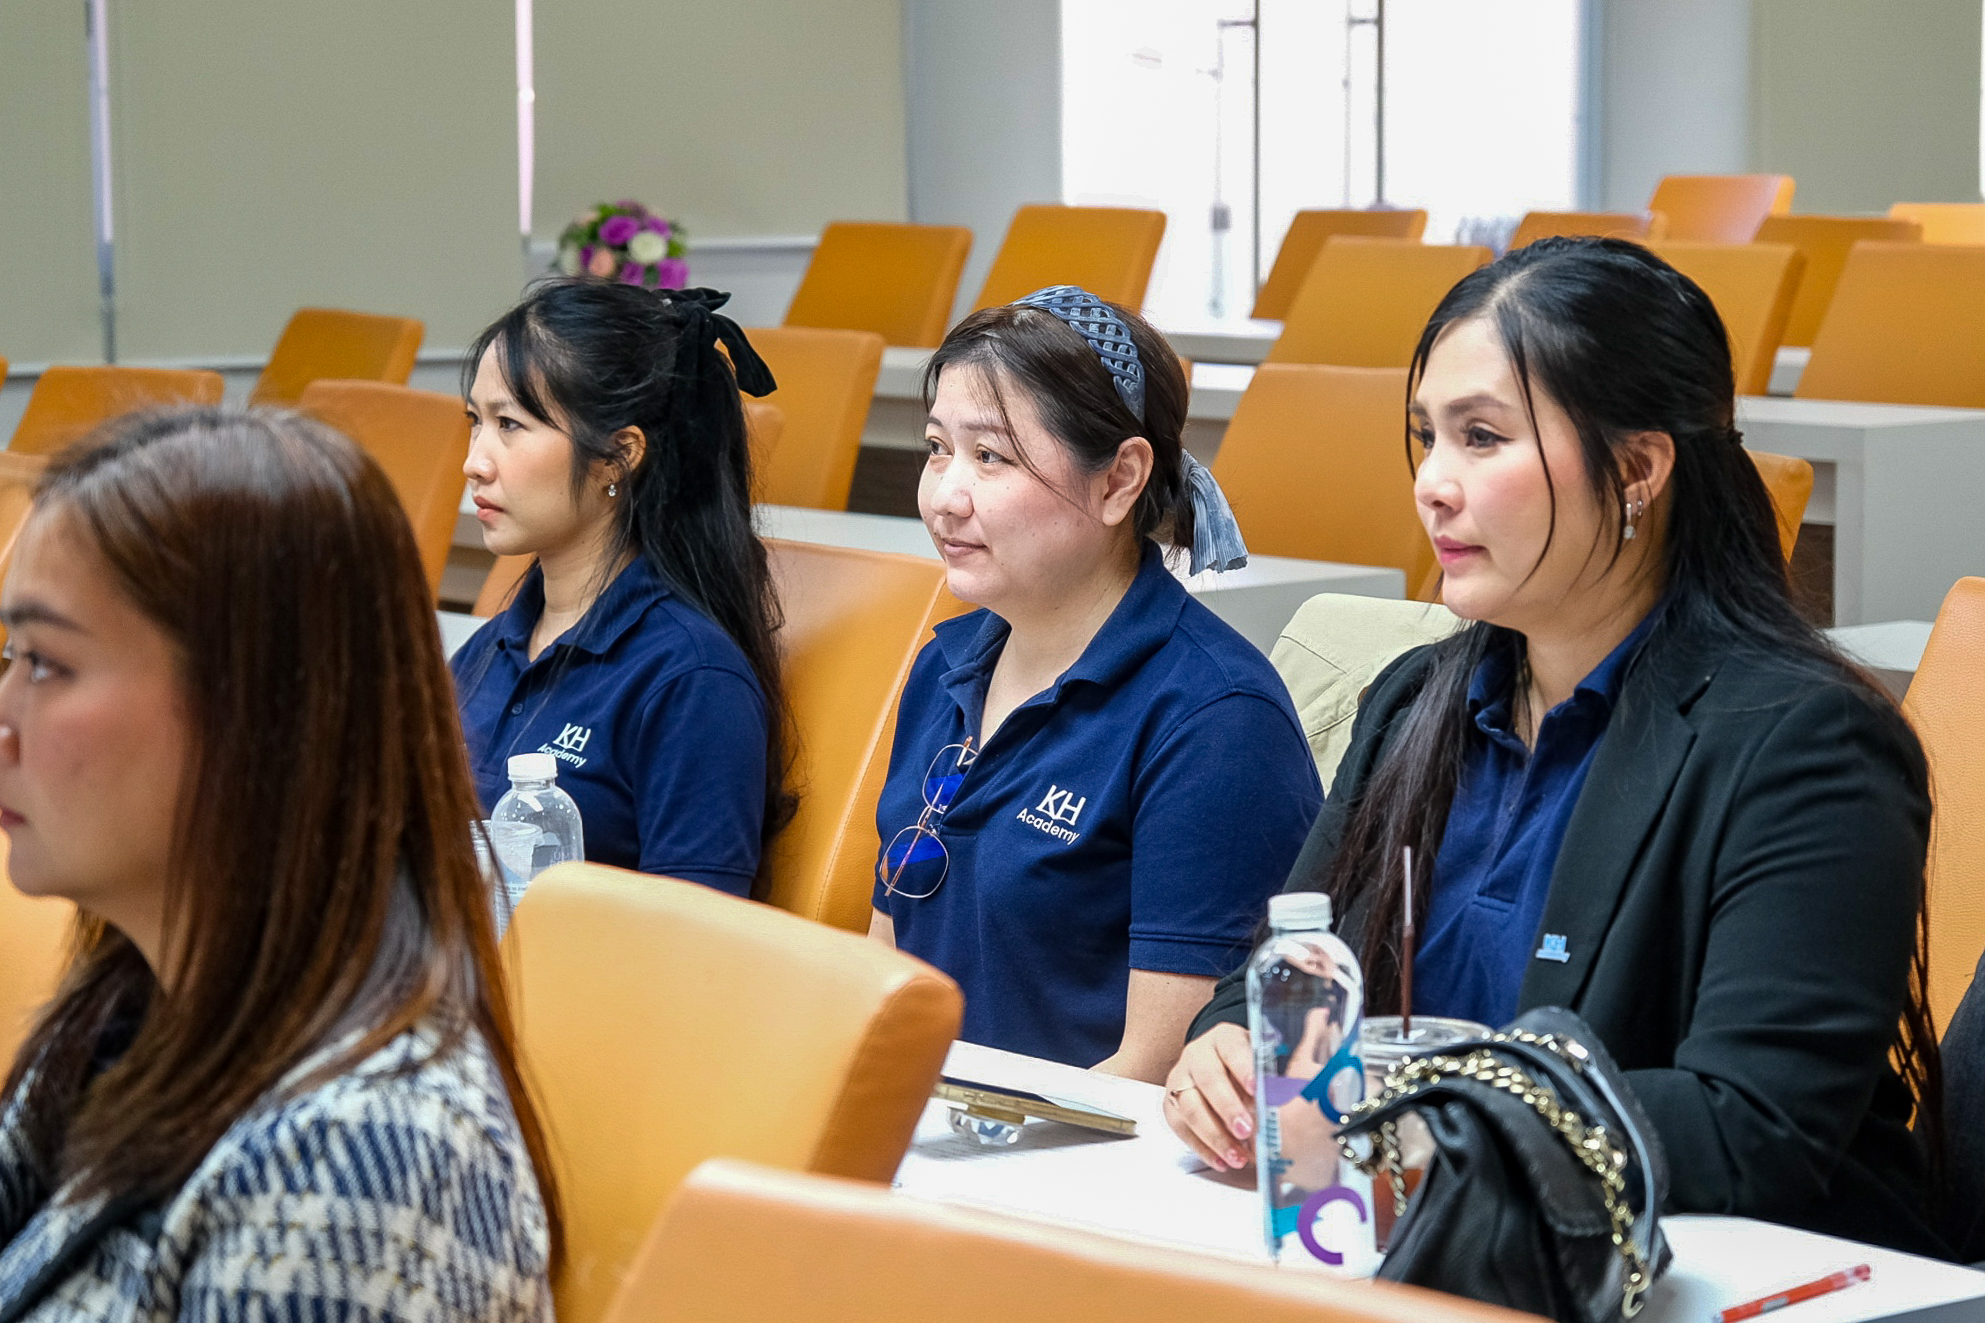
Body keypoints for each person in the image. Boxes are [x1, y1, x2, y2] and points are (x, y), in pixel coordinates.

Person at [1163, 237, 1949, 1257]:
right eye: (1427, 438)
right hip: (1413, 1247)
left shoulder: (1807, 743)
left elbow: (1755, 1125)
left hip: (1716, 1272)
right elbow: (1284, 972)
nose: (1431, 484)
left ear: (1635, 469)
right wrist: (1227, 1045)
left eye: (1481, 438)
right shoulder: (1416, 700)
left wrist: (1432, 1127)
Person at [0, 408, 558, 1321]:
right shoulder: (131, 1005)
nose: (5, 717)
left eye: (48, 664)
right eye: (9, 655)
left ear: (248, 715)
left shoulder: (362, 1165)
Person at [867, 286, 1322, 1081]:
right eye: (938, 448)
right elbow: (883, 965)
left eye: (990, 456)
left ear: (1119, 480)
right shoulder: (944, 665)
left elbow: (1157, 1070)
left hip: (1074, 1148)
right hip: (923, 1123)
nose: (943, 497)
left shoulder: (1216, 720)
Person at [452, 279, 792, 896]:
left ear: (618, 456)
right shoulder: (488, 648)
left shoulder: (691, 680)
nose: (474, 461)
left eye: (510, 424)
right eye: (476, 421)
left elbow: (691, 936)